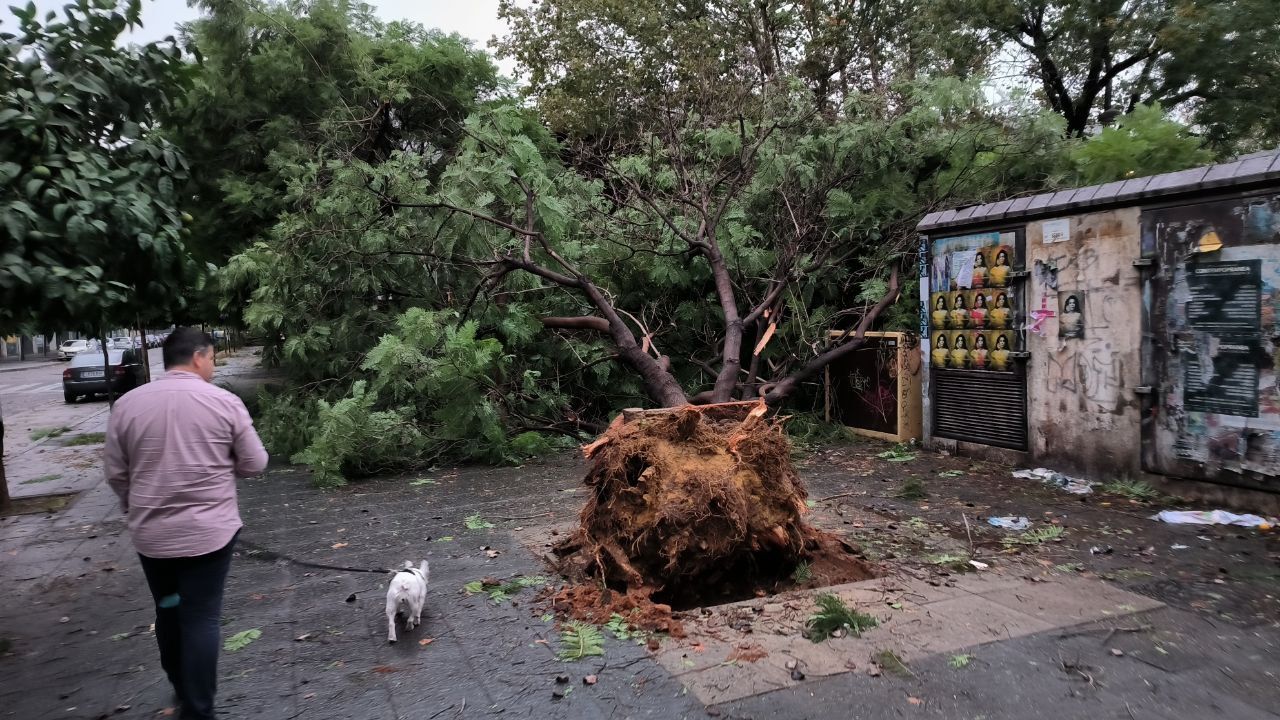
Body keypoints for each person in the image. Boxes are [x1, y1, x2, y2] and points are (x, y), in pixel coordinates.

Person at [104, 328, 268, 720]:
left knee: (168, 607)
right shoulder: (223, 402)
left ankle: (179, 686)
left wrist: (133, 504)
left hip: (151, 536)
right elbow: (255, 463)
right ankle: (198, 709)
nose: (212, 366)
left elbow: (115, 471)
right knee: (201, 616)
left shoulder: (127, 405)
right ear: (198, 357)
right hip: (209, 536)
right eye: (211, 359)